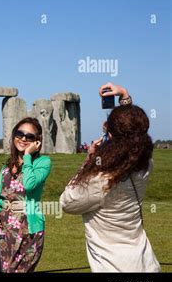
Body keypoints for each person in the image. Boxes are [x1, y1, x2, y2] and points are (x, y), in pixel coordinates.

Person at [60, 83, 160, 272]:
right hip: (146, 263)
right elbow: (133, 131)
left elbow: (67, 202)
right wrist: (125, 96)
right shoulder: (144, 167)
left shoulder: (100, 180)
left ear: (110, 136)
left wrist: (89, 161)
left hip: (114, 268)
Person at [0, 117, 51, 273]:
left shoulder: (43, 163)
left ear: (37, 141)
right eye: (20, 133)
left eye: (29, 136)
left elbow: (29, 184)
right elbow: (0, 195)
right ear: (13, 136)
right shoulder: (6, 167)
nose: (23, 138)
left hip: (28, 230)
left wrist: (27, 156)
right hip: (5, 230)